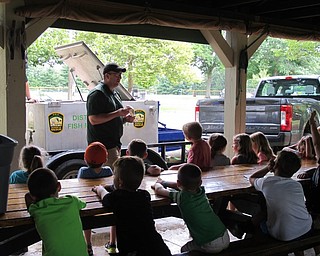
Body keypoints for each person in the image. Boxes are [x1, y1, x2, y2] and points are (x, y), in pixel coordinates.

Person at [92, 156, 172, 256]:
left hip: (133, 249)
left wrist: (99, 189)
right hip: (156, 246)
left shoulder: (116, 197)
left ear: (120, 181)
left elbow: (105, 198)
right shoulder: (144, 195)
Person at [153, 163, 230, 254]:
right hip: (225, 236)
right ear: (200, 182)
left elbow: (159, 190)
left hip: (210, 243)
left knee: (184, 250)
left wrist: (158, 184)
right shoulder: (201, 191)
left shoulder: (182, 197)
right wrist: (165, 182)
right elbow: (179, 186)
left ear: (179, 183)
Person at [249, 150, 313, 243]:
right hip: (306, 228)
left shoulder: (267, 182)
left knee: (259, 222)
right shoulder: (297, 185)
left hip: (282, 235)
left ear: (276, 165)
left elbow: (252, 178)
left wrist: (267, 168)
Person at [25, 168, 87, 256]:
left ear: (33, 196)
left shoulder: (36, 210)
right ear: (59, 187)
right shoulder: (71, 201)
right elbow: (83, 204)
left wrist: (31, 196)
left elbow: (27, 197)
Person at [86, 62, 135, 169]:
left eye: (120, 76)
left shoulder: (114, 93)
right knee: (110, 178)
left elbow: (112, 118)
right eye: (116, 75)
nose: (119, 78)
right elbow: (93, 119)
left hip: (114, 144)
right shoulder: (97, 94)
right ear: (107, 76)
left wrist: (125, 119)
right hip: (103, 147)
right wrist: (118, 113)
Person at [77, 141, 113, 255]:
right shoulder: (108, 171)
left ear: (85, 159)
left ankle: (88, 245)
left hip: (89, 206)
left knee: (87, 219)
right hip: (106, 205)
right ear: (105, 159)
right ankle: (113, 243)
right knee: (115, 217)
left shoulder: (83, 172)